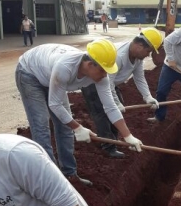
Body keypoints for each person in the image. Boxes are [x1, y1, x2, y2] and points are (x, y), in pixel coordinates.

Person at [15, 39, 144, 186]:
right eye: (102, 70)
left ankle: (70, 174)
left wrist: (128, 136)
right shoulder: (65, 68)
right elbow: (55, 104)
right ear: (89, 65)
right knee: (41, 127)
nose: (104, 75)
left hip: (52, 74)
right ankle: (52, 182)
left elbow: (110, 106)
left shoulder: (101, 76)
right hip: (30, 74)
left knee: (65, 127)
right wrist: (78, 127)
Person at [81, 28, 162, 158]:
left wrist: (148, 97)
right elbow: (109, 82)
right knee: (103, 114)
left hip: (109, 84)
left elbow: (139, 78)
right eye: (148, 51)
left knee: (117, 110)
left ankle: (115, 140)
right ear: (139, 45)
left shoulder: (137, 58)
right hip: (93, 83)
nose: (148, 55)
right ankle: (108, 147)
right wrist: (115, 103)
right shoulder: (118, 56)